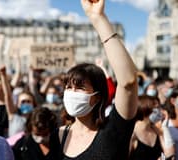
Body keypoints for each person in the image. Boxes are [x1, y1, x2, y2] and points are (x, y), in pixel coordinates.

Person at [49, 0, 138, 159]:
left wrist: (98, 18)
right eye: (68, 87)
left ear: (97, 97)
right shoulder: (57, 136)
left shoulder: (113, 130)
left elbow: (128, 82)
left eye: (80, 88)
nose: (72, 93)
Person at [130, 95, 175, 160]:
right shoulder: (132, 133)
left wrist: (165, 127)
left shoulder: (157, 131)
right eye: (155, 107)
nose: (159, 111)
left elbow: (170, 155)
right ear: (144, 108)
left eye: (158, 107)